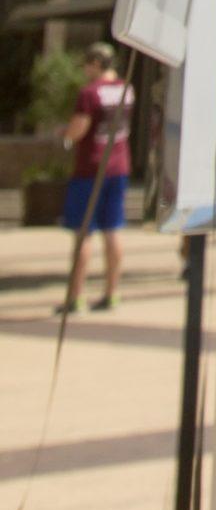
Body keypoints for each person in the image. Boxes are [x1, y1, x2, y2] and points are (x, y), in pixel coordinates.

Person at [61, 43, 134, 312]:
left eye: (86, 64)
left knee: (84, 233)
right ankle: (112, 292)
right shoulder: (127, 90)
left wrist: (65, 136)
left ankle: (75, 296)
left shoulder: (89, 93)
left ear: (95, 63)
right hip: (119, 166)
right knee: (113, 229)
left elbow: (79, 128)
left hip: (91, 168)